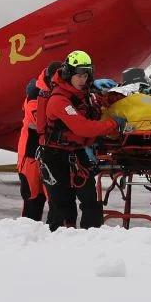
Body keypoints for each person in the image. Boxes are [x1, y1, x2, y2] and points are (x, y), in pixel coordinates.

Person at [36, 50, 125, 231]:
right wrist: (113, 123)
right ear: (69, 74)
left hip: (76, 153)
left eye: (86, 75)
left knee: (91, 201)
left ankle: (90, 238)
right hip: (54, 156)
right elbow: (83, 127)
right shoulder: (58, 100)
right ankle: (56, 242)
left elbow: (94, 114)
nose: (83, 79)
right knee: (61, 205)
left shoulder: (84, 95)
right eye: (79, 75)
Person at [16, 60, 61, 221]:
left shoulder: (57, 92)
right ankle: (28, 235)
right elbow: (37, 122)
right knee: (33, 197)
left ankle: (54, 233)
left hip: (50, 151)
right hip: (30, 153)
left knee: (55, 197)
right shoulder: (35, 94)